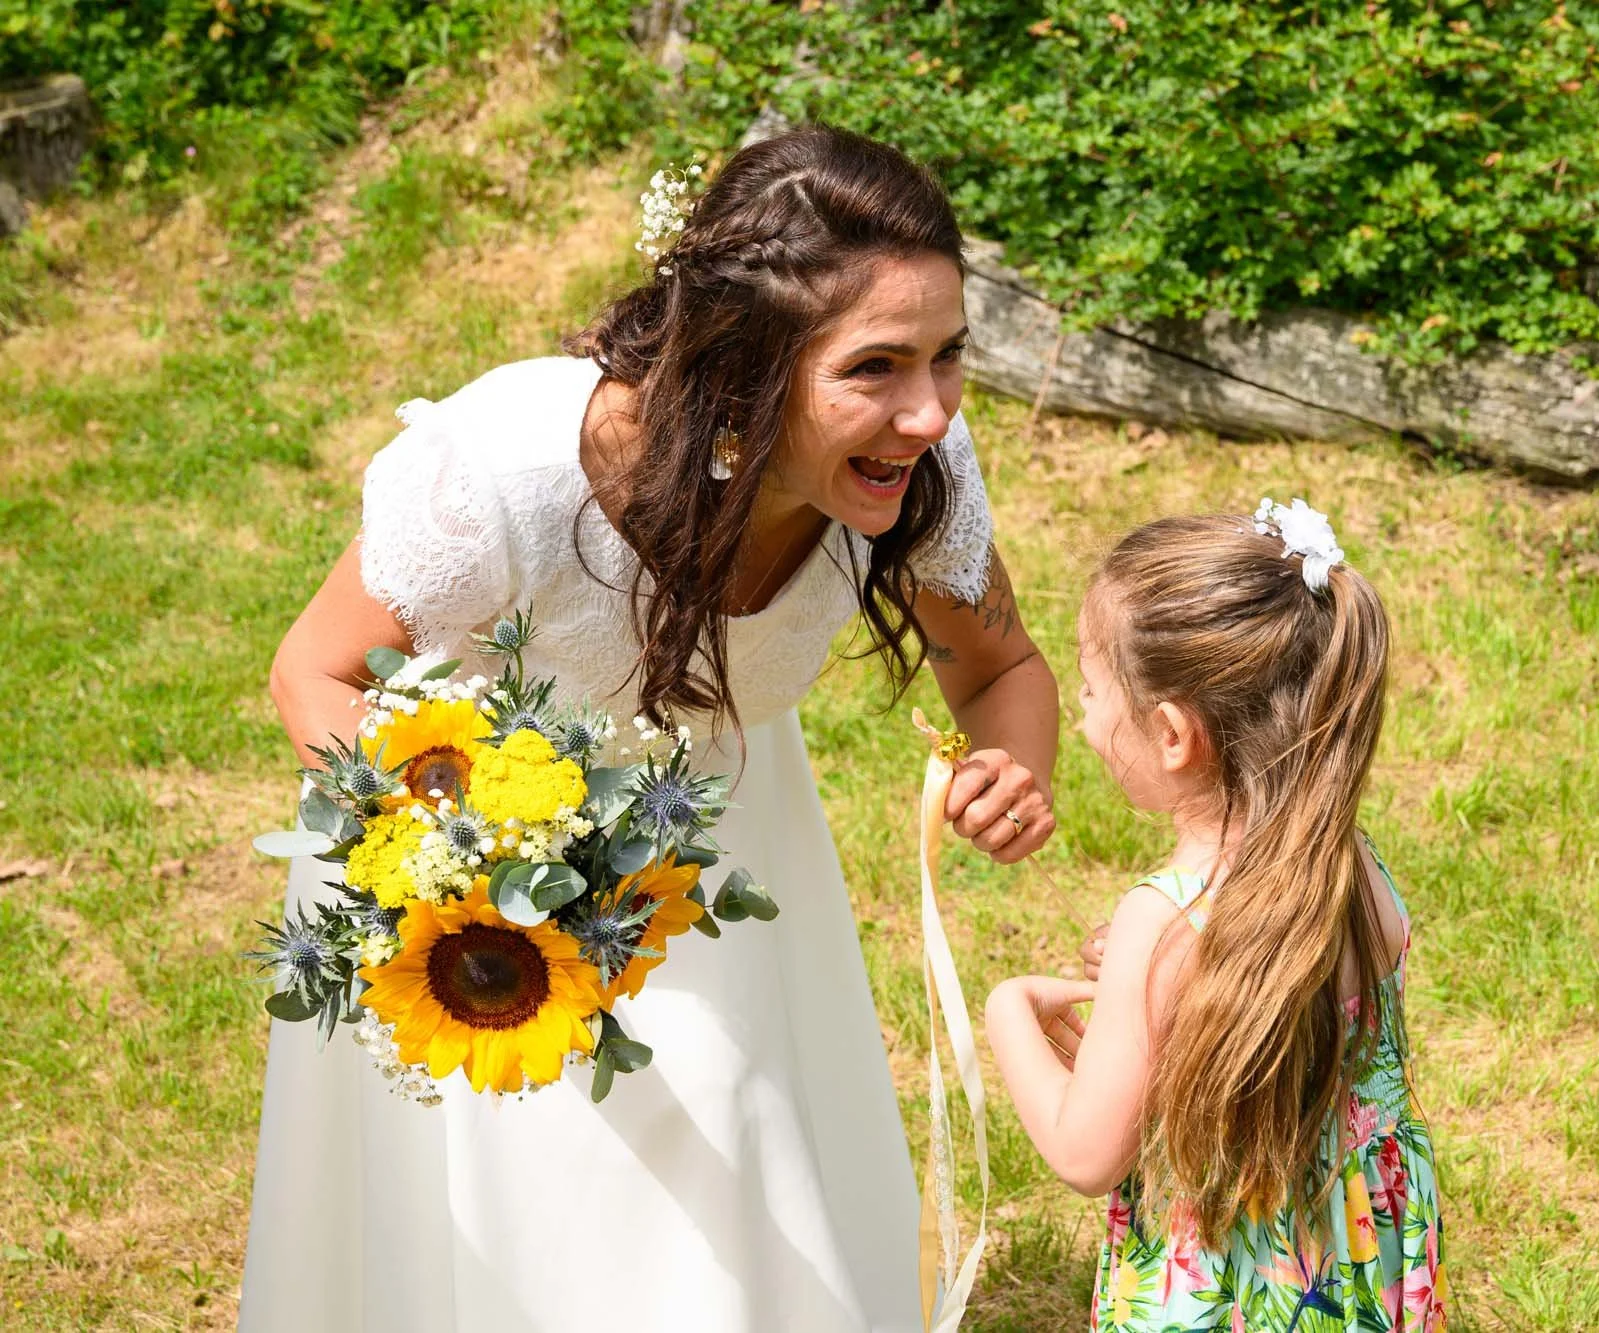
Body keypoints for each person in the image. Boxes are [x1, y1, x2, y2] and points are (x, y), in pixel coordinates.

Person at [241, 124, 1060, 1332]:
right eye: (876, 366)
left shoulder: (907, 476)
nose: (928, 411)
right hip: (458, 855)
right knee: (541, 1212)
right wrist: (462, 866)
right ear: (744, 364)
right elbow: (313, 672)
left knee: (729, 1131)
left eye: (947, 357)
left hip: (729, 847)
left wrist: (1010, 766)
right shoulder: (519, 469)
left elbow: (1002, 667)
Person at [985, 504, 1445, 1331]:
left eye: (1092, 691)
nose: (1084, 717)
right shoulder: (1348, 863)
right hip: (1349, 1274)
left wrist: (1007, 1011)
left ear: (1170, 734)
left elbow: (1085, 1152)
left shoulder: (1160, 926)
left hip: (1235, 1294)